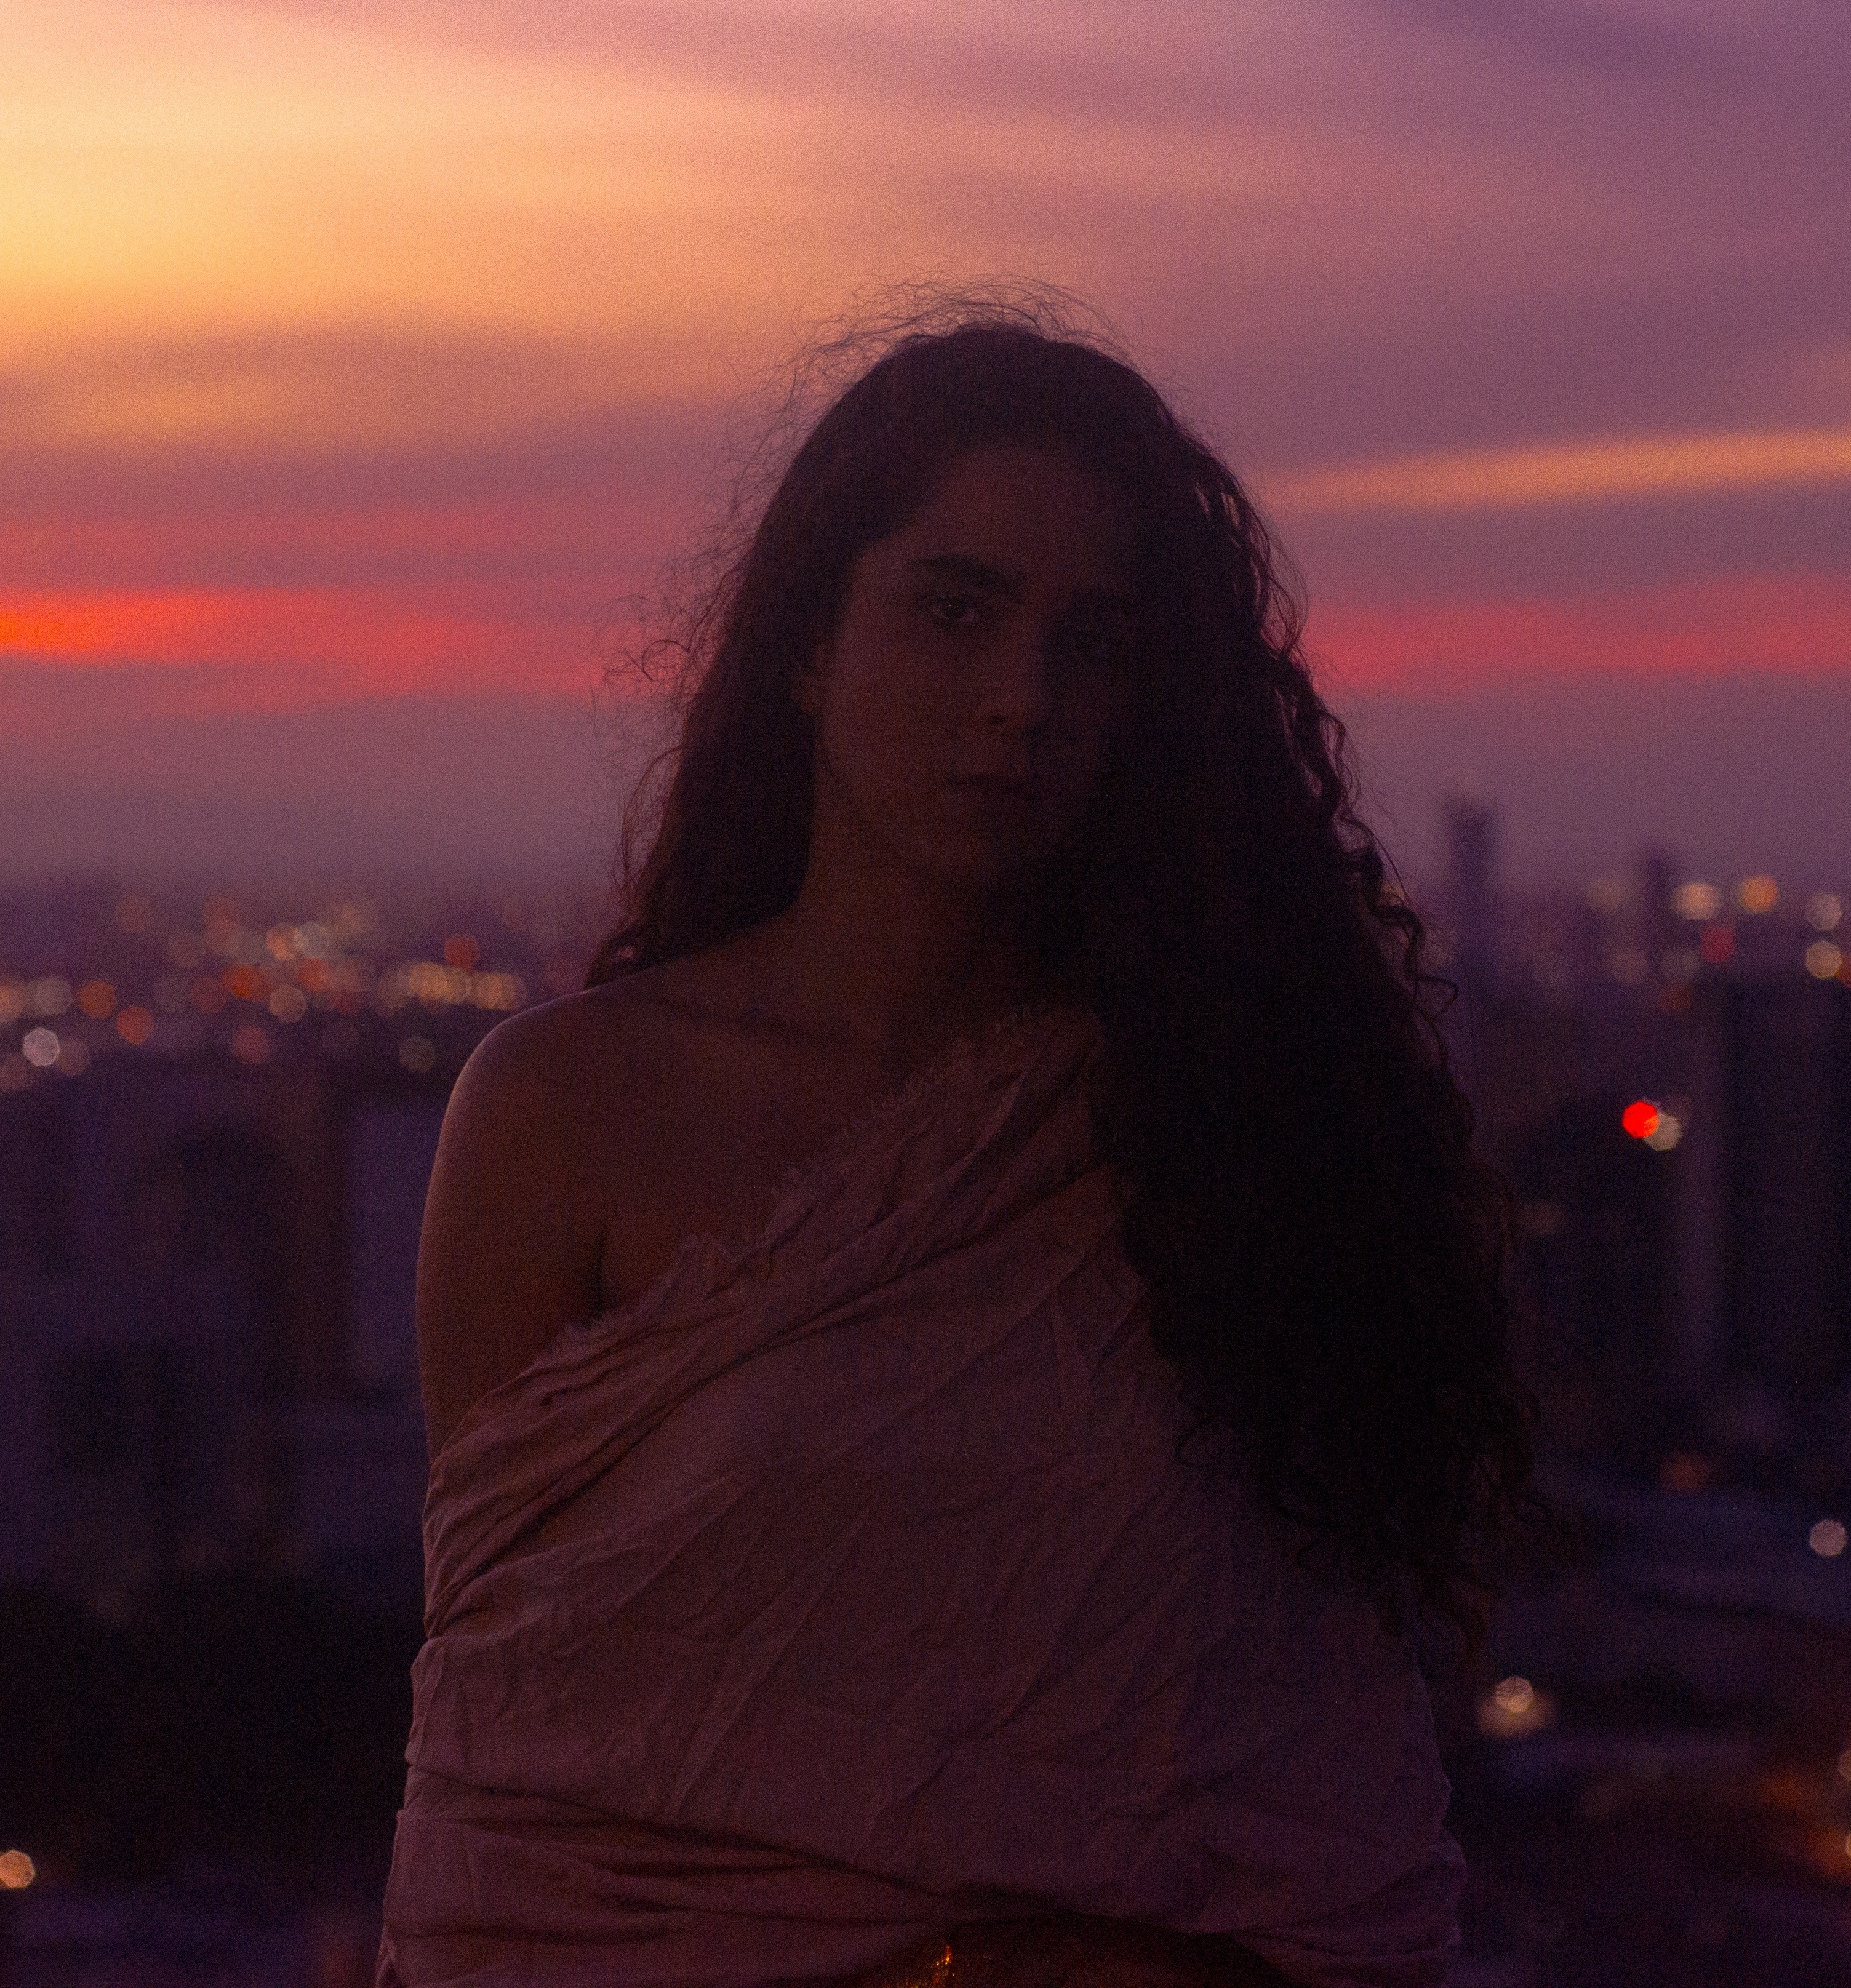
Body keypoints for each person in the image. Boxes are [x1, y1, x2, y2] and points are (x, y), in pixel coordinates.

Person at [378, 306, 1535, 1987]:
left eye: (1096, 645)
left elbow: (1312, 1782)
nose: (1022, 700)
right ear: (806, 645)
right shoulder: (568, 1113)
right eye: (953, 611)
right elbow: (514, 1748)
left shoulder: (1243, 1137)